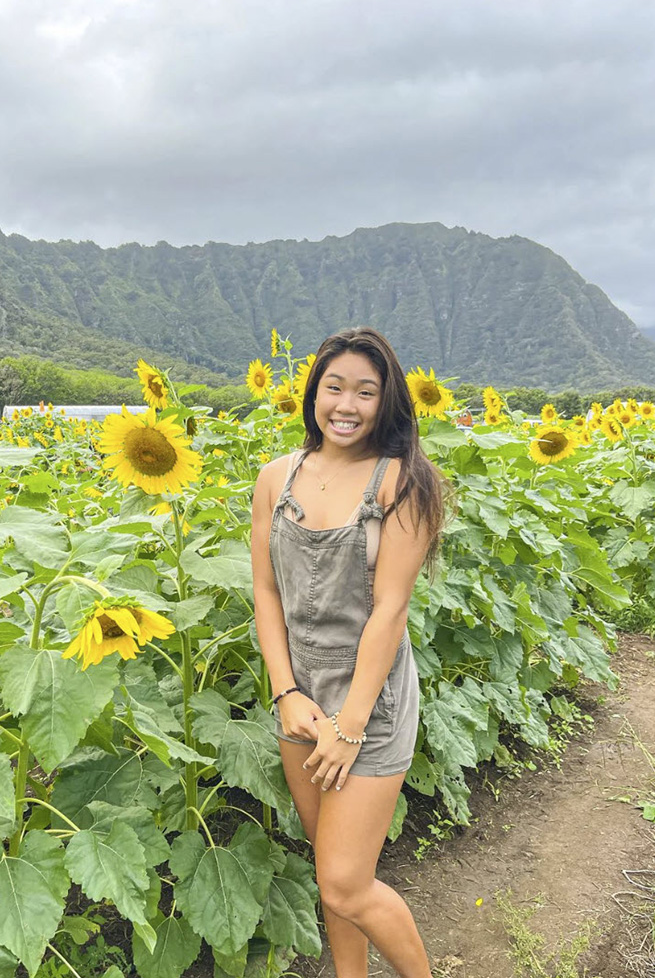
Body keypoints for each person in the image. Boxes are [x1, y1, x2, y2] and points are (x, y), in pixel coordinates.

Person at [251, 327, 446, 978]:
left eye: (366, 391)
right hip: (298, 699)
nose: (346, 404)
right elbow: (266, 589)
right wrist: (285, 692)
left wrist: (350, 725)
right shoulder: (275, 477)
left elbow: (390, 610)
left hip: (370, 703)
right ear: (313, 393)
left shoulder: (403, 485)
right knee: (331, 864)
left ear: (386, 402)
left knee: (344, 883)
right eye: (333, 387)